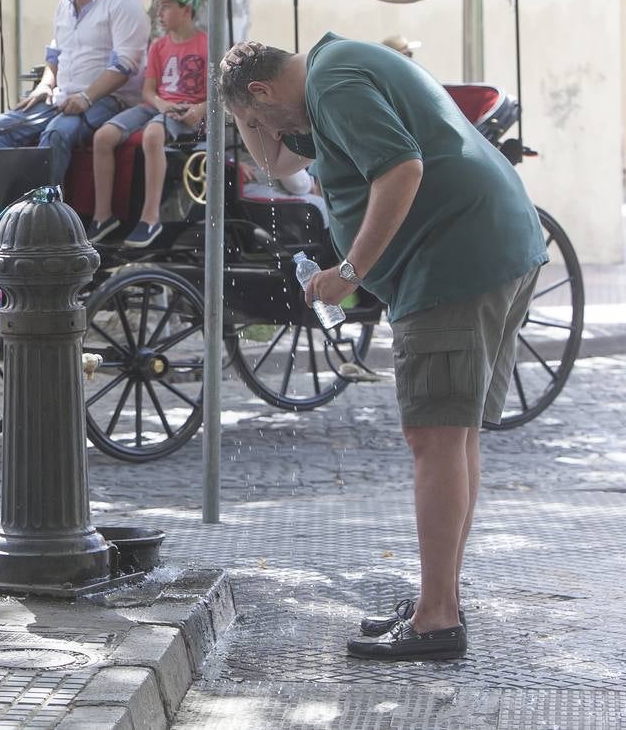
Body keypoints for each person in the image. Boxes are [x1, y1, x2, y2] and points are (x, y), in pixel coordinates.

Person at [218, 35, 547, 661]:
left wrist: (348, 270)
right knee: (455, 435)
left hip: (453, 260)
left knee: (434, 436)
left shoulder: (334, 84)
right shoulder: (329, 77)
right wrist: (246, 114)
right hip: (490, 245)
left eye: (255, 117)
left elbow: (402, 169)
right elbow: (278, 166)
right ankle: (438, 598)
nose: (258, 132)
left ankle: (437, 619)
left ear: (265, 90)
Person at [0, 0, 150, 184]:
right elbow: (55, 56)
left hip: (110, 101)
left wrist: (86, 96)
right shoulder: (64, 4)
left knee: (56, 134)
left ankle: (44, 214)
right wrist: (45, 85)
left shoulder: (122, 0)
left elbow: (125, 66)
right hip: (62, 98)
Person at [88, 0, 207, 248]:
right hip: (159, 107)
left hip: (186, 113)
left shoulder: (206, 45)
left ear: (186, 10)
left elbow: (216, 95)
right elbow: (148, 92)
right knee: (103, 136)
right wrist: (162, 105)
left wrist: (198, 109)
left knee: (153, 134)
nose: (159, 14)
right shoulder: (158, 46)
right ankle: (102, 216)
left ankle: (150, 217)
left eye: (166, 7)